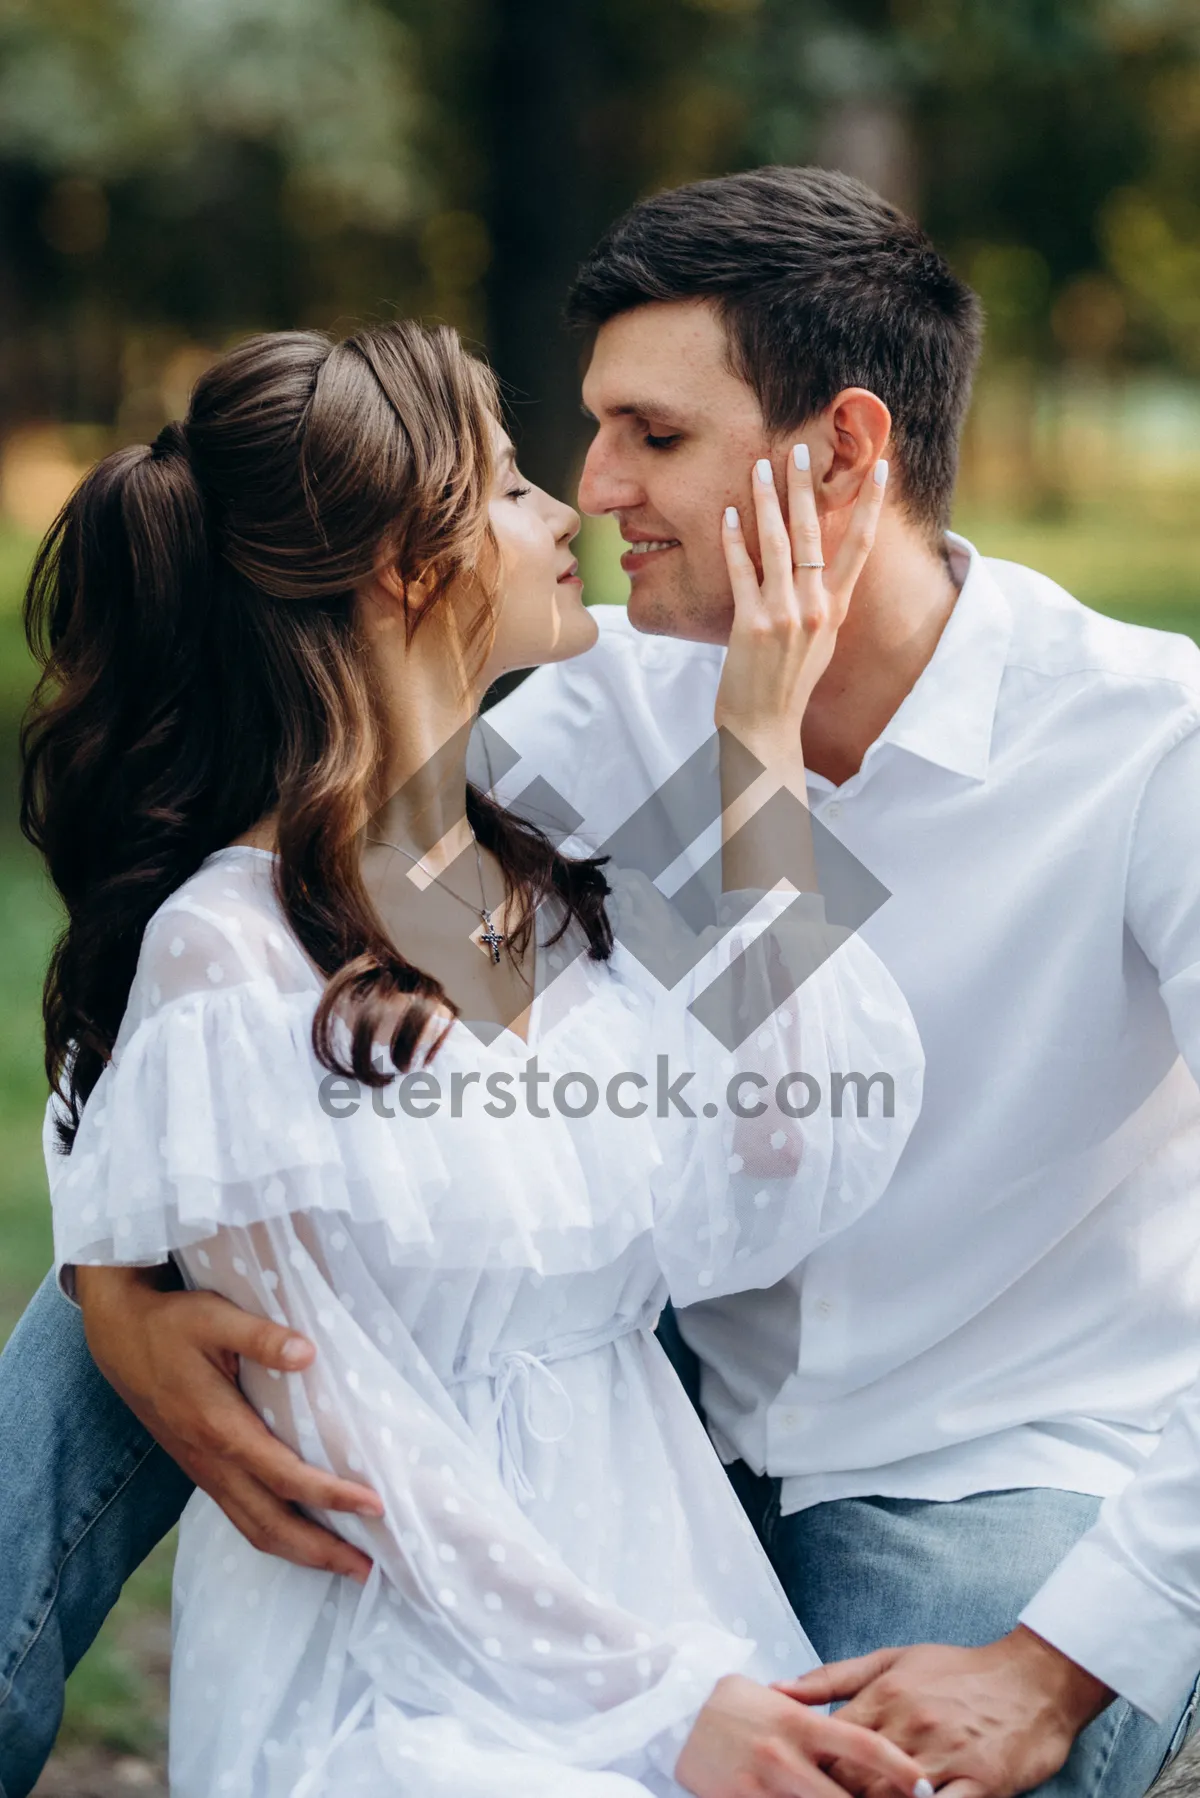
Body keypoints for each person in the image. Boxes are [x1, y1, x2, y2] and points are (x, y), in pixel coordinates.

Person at [3, 161, 1198, 1798]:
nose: (591, 486)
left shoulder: (1153, 744)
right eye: (579, 435)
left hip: (964, 1465)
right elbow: (200, 981)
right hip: (638, 1381)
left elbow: (796, 1140)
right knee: (159, 1264)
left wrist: (1066, 1659)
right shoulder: (576, 707)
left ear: (842, 451)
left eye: (655, 434)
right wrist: (105, 1277)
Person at [15, 318, 927, 1798]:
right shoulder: (227, 946)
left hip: (649, 1566)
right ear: (402, 561)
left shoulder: (537, 879)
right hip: (416, 1651)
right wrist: (660, 1705)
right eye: (511, 487)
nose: (569, 508)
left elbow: (789, 1148)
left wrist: (754, 745)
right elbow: (356, 1443)